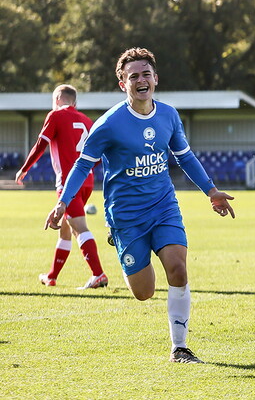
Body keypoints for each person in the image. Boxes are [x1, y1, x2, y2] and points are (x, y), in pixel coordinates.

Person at [46, 47, 236, 363]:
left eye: (146, 74)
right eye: (133, 76)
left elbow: (185, 157)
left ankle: (179, 348)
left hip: (163, 207)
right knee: (144, 292)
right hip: (126, 216)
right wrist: (63, 202)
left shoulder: (169, 116)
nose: (140, 80)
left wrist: (211, 191)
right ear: (123, 84)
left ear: (155, 79)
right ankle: (120, 242)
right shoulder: (108, 124)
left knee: (178, 268)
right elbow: (82, 165)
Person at [16, 85, 107, 290]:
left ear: (57, 98)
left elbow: (41, 144)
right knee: (65, 230)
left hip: (68, 182)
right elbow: (99, 155)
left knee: (79, 227)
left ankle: (98, 274)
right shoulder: (87, 121)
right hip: (87, 181)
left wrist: (25, 168)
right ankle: (51, 276)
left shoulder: (56, 115)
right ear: (74, 102)